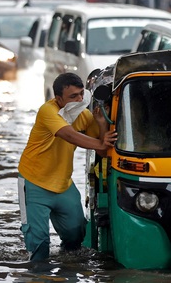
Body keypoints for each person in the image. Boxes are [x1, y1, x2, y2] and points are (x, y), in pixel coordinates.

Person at [17, 72, 117, 261]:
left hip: (63, 184)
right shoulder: (48, 111)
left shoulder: (84, 115)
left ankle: (67, 268)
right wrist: (102, 143)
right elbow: (69, 134)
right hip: (34, 183)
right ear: (59, 99)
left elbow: (103, 150)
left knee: (76, 235)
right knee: (39, 245)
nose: (79, 99)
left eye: (81, 94)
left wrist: (102, 124)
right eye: (73, 96)